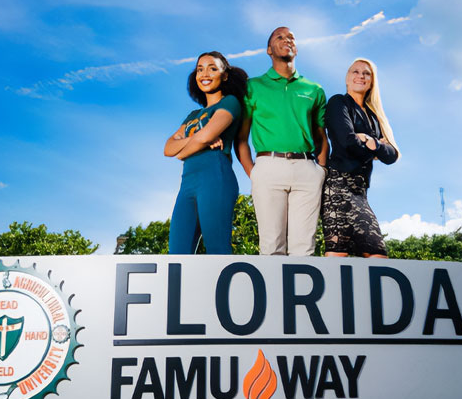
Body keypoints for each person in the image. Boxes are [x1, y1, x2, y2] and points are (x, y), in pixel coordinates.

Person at [235, 26, 328, 256]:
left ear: (296, 48)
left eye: (291, 38)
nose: (287, 40)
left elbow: (321, 136)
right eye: (280, 37)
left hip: (307, 169)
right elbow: (241, 138)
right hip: (268, 166)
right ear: (269, 49)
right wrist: (253, 172)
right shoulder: (252, 86)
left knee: (304, 249)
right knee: (271, 247)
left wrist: (321, 170)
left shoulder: (314, 89)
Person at [164, 51, 247, 254]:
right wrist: (200, 139)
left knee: (217, 249)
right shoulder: (193, 115)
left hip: (215, 176)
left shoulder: (230, 103)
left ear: (224, 75)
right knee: (177, 253)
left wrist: (183, 151)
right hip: (187, 184)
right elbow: (168, 148)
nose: (204, 74)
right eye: (200, 69)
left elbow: (190, 145)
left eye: (212, 68)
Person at [321, 58, 400, 258]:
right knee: (368, 254)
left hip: (360, 190)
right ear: (347, 79)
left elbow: (392, 156)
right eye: (355, 72)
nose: (361, 76)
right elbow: (347, 143)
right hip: (338, 186)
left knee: (352, 255)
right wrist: (377, 147)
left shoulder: (375, 116)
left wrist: (369, 141)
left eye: (366, 73)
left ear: (372, 81)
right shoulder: (338, 103)